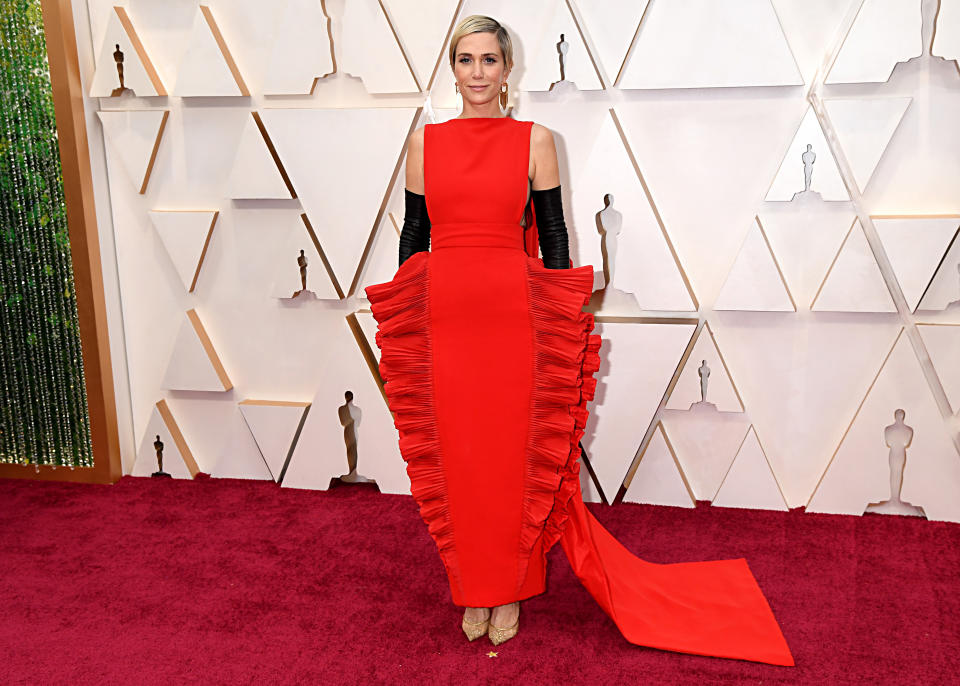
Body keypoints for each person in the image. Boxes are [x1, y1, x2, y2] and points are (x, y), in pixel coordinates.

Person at [365, 15, 794, 665]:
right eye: (466, 59)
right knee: (460, 458)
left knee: (509, 457)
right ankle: (472, 590)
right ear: (451, 69)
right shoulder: (425, 145)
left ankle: (506, 593)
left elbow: (555, 234)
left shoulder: (535, 140)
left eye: (489, 60)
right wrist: (405, 313)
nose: (478, 72)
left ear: (509, 71)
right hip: (447, 314)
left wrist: (562, 316)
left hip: (512, 314)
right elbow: (413, 235)